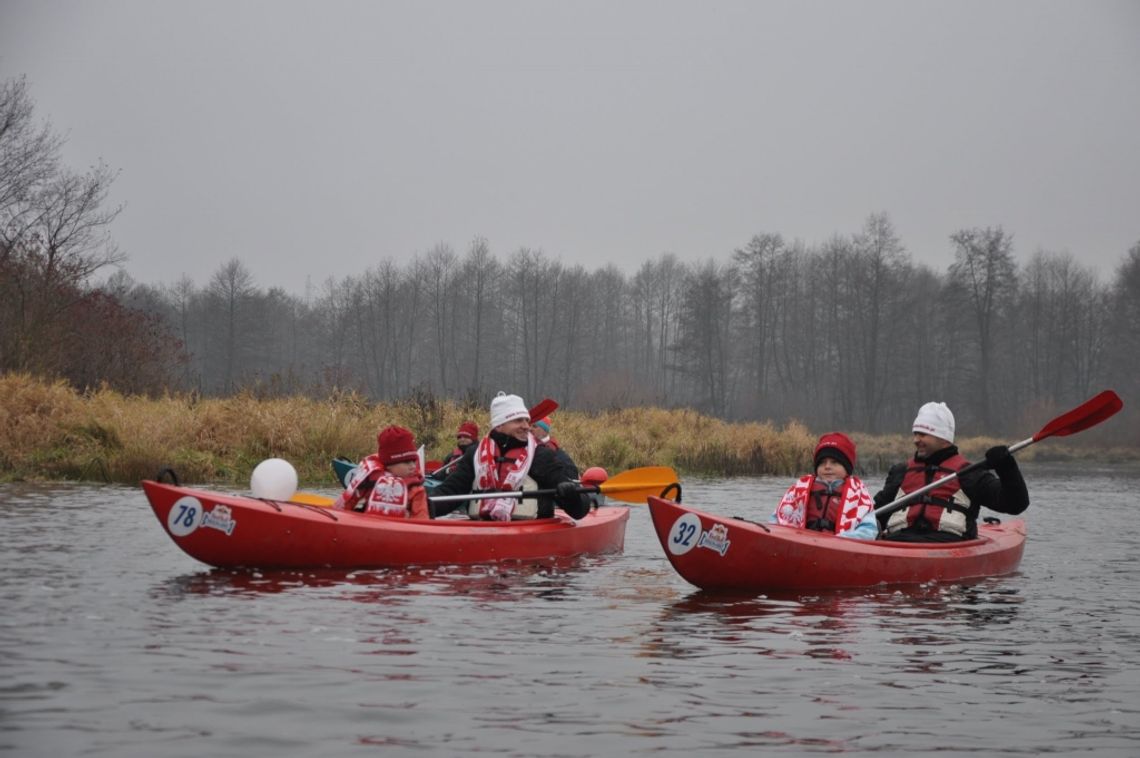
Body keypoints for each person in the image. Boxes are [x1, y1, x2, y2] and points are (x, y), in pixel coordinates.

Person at [874, 401, 1029, 542]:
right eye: (915, 434)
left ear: (943, 438)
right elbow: (875, 515)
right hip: (898, 544)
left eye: (923, 434)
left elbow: (1015, 504)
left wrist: (1006, 466)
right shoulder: (901, 472)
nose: (916, 440)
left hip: (946, 545)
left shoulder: (968, 473)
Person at [430, 392, 592, 521]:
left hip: (532, 540)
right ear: (500, 424)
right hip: (481, 529)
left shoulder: (540, 455)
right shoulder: (475, 454)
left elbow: (580, 511)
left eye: (526, 421)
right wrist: (419, 506)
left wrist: (571, 495)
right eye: (518, 421)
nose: (526, 426)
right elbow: (449, 492)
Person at [770, 432, 878, 540]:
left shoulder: (858, 494)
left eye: (834, 462)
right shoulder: (800, 489)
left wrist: (841, 540)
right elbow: (776, 521)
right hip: (802, 542)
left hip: (840, 547)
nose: (827, 467)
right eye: (822, 462)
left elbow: (868, 531)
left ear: (847, 468)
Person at [333, 425, 430, 519]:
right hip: (369, 525)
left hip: (401, 529)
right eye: (406, 462)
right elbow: (345, 504)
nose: (413, 466)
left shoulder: (416, 488)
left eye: (414, 461)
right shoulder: (369, 479)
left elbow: (421, 518)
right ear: (389, 465)